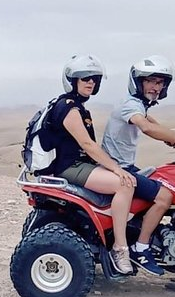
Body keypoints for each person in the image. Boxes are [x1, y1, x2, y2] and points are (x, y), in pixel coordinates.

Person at [101, 55, 175, 276]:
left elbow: (152, 123)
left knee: (163, 179)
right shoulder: (130, 105)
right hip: (119, 169)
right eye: (151, 81)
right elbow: (145, 127)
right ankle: (141, 248)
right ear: (139, 82)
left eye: (160, 83)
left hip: (125, 165)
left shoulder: (138, 105)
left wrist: (173, 138)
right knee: (165, 196)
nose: (156, 87)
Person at [47, 54, 138, 275]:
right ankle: (120, 248)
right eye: (85, 78)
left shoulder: (76, 107)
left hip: (79, 164)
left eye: (95, 79)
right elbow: (87, 144)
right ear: (72, 80)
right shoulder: (68, 108)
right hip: (71, 167)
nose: (91, 82)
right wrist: (117, 169)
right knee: (125, 184)